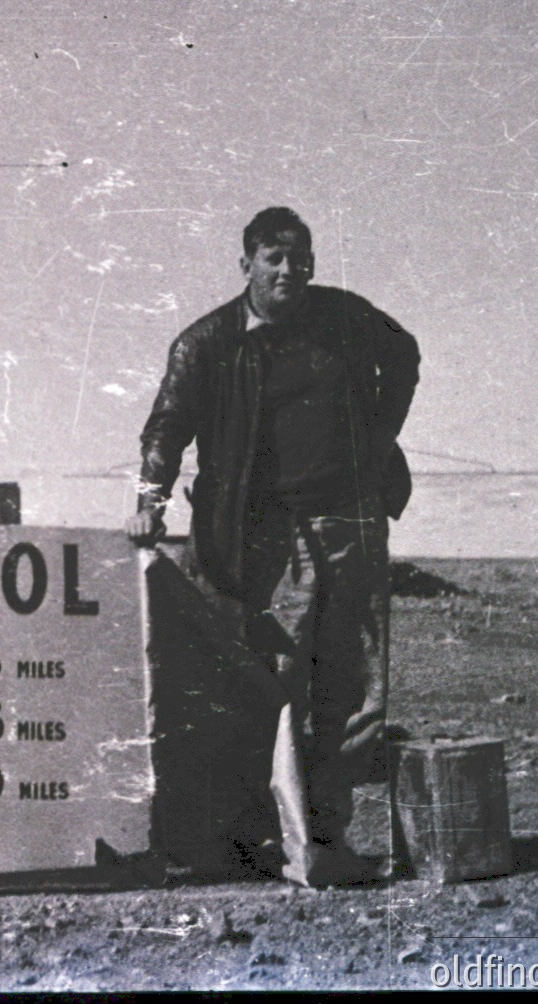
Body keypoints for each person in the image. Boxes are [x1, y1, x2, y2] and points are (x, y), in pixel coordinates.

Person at [125, 206, 420, 888]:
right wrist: (148, 504)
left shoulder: (343, 318)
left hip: (349, 523)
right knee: (269, 688)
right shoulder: (205, 344)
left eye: (300, 257)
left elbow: (403, 354)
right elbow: (165, 428)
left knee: (353, 686)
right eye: (273, 258)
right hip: (261, 538)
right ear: (246, 265)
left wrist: (376, 442)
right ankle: (263, 837)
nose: (289, 270)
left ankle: (326, 836)